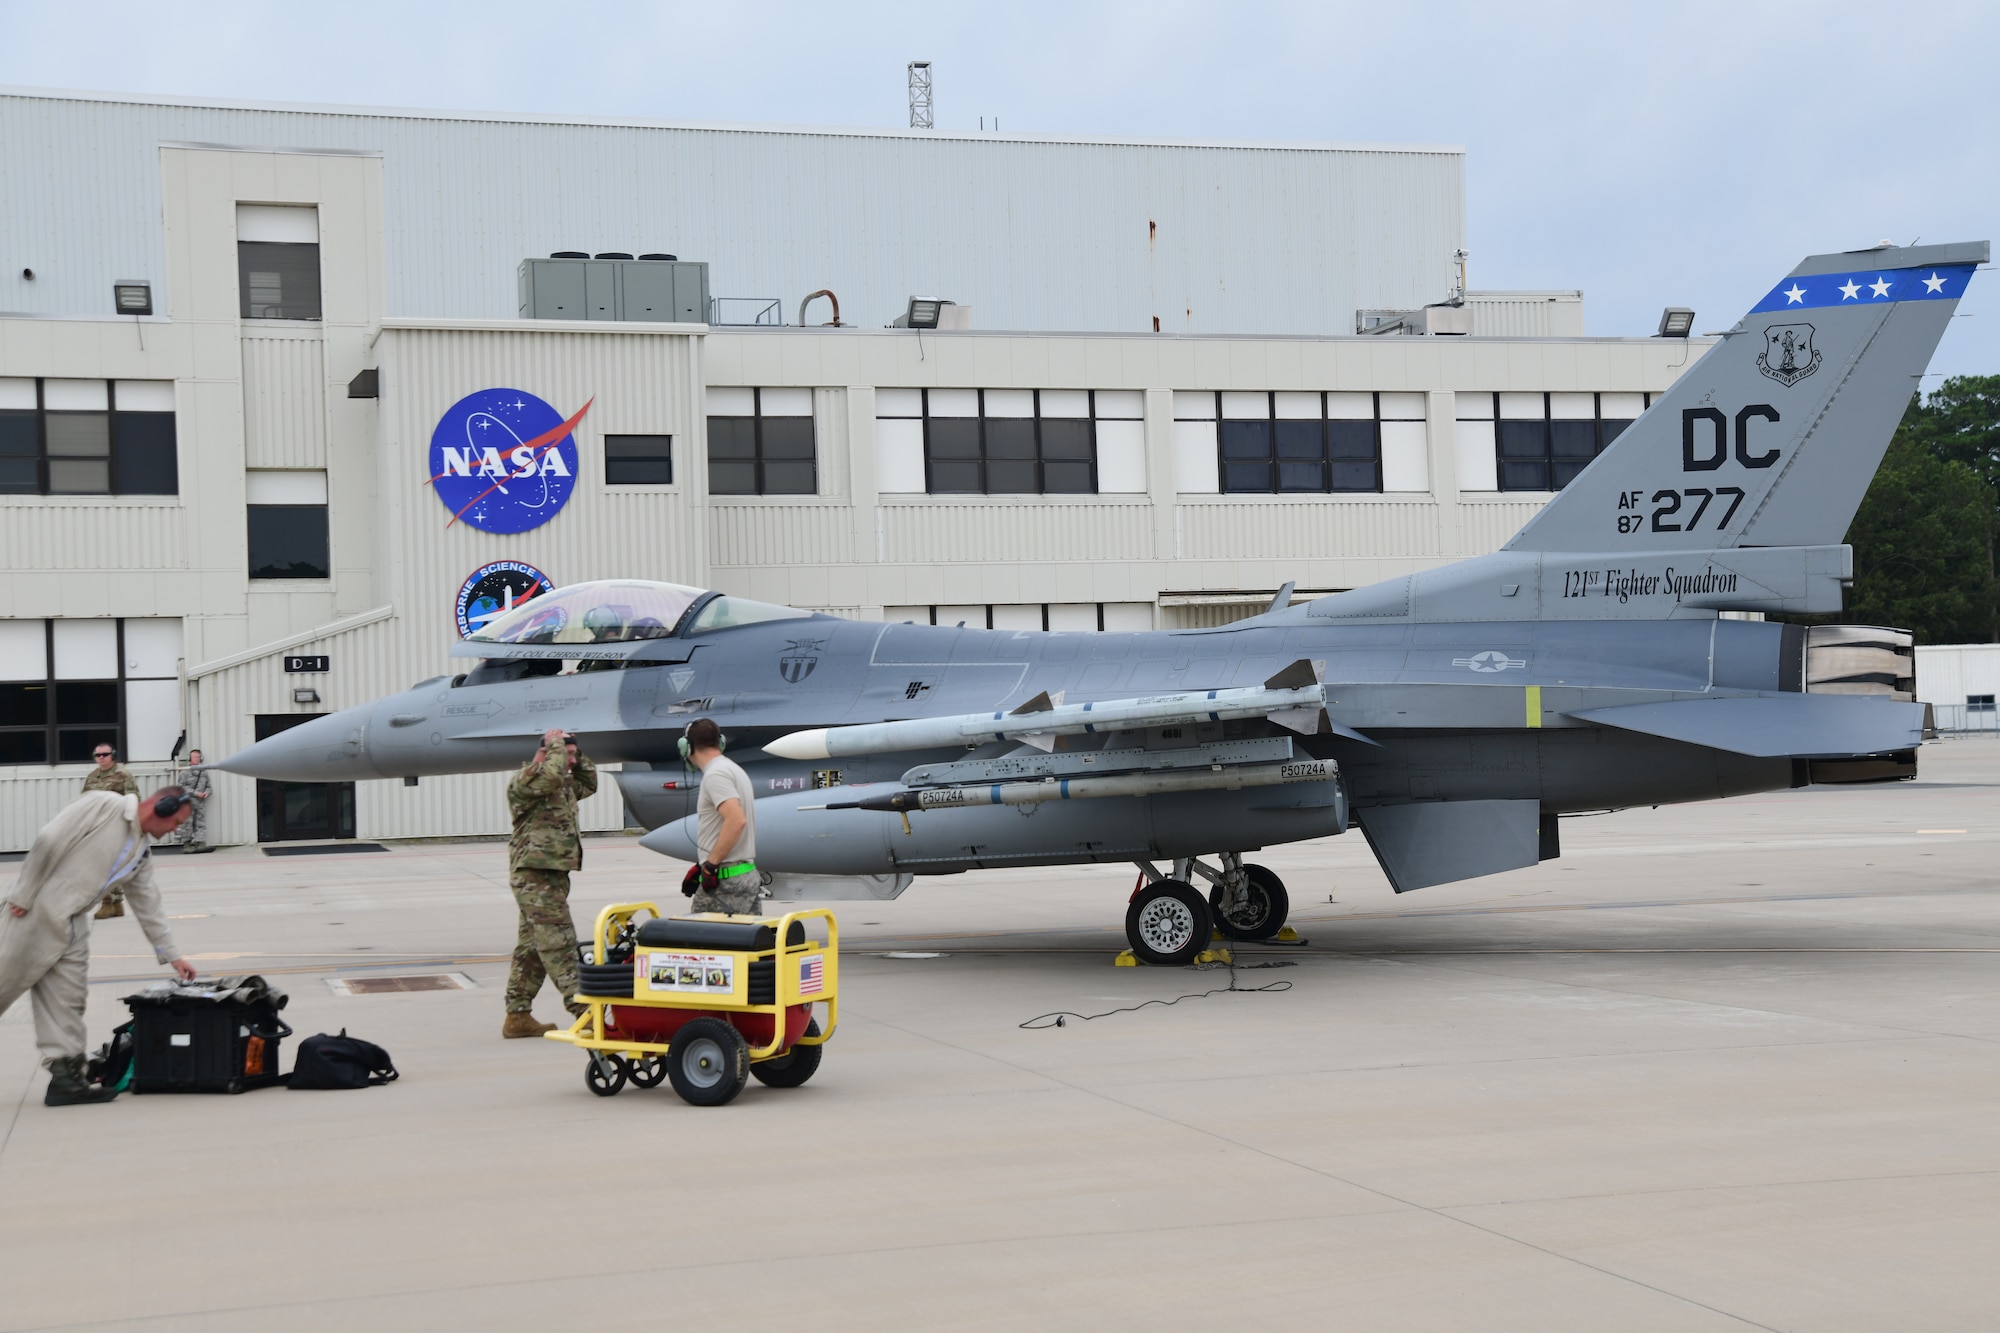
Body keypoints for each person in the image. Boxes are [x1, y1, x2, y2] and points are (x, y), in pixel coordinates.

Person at [1, 788, 199, 1105]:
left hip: (72, 925)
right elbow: (50, 839)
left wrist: (173, 955)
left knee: (68, 1002)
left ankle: (66, 1080)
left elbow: (148, 904)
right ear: (162, 806)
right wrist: (23, 893)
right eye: (176, 822)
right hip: (32, 911)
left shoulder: (141, 852)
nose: (175, 830)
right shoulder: (104, 805)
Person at [501, 728, 597, 1039]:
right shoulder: (526, 780)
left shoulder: (562, 782)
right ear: (545, 752)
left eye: (572, 755)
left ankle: (517, 1015)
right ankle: (584, 1010)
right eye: (564, 754)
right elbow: (553, 775)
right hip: (534, 875)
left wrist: (576, 754)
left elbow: (589, 782)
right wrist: (556, 744)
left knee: (531, 949)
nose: (569, 761)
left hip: (553, 873)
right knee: (559, 942)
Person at [684, 718, 760, 915]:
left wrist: (711, 865)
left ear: (687, 746)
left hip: (726, 881)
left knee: (702, 941)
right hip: (744, 875)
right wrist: (703, 863)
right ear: (721, 742)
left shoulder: (716, 774)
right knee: (745, 942)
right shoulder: (734, 770)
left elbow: (736, 820)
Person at [81, 745, 140, 918]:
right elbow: (84, 801)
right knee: (102, 865)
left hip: (117, 826)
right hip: (96, 827)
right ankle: (116, 903)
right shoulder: (92, 777)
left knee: (107, 866)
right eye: (97, 754)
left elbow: (133, 799)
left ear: (112, 755)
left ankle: (107, 903)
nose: (101, 757)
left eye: (105, 754)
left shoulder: (123, 775)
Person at [175, 749, 213, 852]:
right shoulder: (184, 772)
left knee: (200, 823)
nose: (197, 759)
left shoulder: (204, 773)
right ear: (190, 759)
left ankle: (200, 843)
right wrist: (196, 793)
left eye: (198, 757)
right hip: (188, 802)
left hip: (200, 803)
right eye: (194, 757)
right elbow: (181, 787)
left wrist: (206, 793)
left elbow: (209, 787)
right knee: (187, 823)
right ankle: (187, 845)